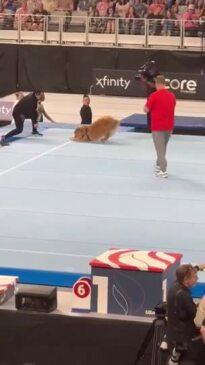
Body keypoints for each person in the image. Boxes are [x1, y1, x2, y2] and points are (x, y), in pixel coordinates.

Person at [167, 263, 205, 365]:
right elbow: (195, 316)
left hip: (172, 330)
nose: (197, 278)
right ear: (186, 280)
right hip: (183, 337)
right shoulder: (185, 296)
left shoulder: (174, 286)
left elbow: (184, 274)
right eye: (195, 277)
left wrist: (197, 268)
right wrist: (200, 306)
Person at [144, 74, 176, 178]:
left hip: (158, 127)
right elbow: (173, 106)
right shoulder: (172, 95)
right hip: (169, 126)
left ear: (157, 84)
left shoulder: (154, 96)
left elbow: (146, 110)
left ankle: (163, 170)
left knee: (160, 149)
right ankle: (159, 163)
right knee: (163, 147)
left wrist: (147, 106)